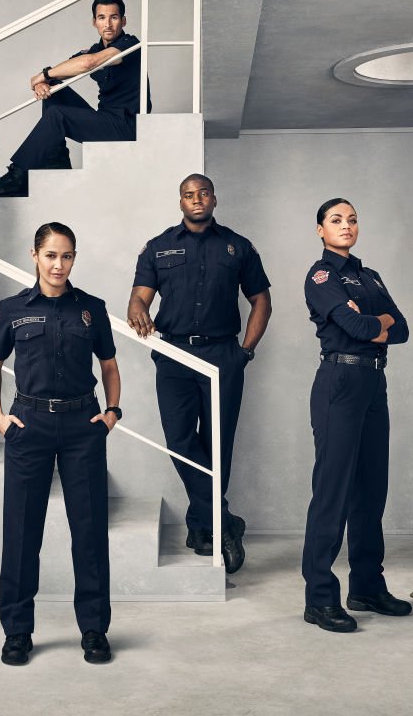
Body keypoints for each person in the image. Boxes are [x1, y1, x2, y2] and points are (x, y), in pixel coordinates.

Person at [0, 222, 122, 666]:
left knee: (89, 531)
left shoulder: (91, 309)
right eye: (50, 256)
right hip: (30, 426)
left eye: (66, 256)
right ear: (35, 255)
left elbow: (110, 367)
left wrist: (112, 412)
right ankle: (17, 632)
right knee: (22, 533)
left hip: (83, 426)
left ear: (74, 259)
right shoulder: (12, 309)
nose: (58, 265)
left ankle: (95, 629)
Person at [127, 174, 271, 574]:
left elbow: (261, 301)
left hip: (222, 352)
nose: (196, 200)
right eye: (189, 195)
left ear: (213, 199)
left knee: (217, 445)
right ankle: (224, 522)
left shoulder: (238, 247)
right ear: (180, 202)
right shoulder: (158, 247)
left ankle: (201, 525)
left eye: (203, 193)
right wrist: (138, 310)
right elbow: (139, 297)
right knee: (179, 440)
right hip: (173, 352)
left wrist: (245, 351)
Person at [300, 198, 412, 633]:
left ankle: (366, 585)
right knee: (333, 492)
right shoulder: (321, 276)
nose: (345, 226)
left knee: (371, 489)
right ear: (320, 230)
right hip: (340, 383)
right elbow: (362, 330)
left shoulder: (369, 276)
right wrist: (374, 321)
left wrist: (372, 319)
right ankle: (319, 598)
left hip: (373, 383)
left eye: (352, 219)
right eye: (335, 220)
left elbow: (399, 328)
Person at [0, 0, 151, 197]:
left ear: (123, 21)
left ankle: (19, 175)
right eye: (102, 18)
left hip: (127, 127)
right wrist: (45, 82)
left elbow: (89, 63)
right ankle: (56, 161)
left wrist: (42, 75)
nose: (108, 24)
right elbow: (70, 66)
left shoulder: (130, 44)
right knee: (56, 90)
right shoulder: (94, 49)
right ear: (94, 22)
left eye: (114, 17)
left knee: (57, 114)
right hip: (105, 119)